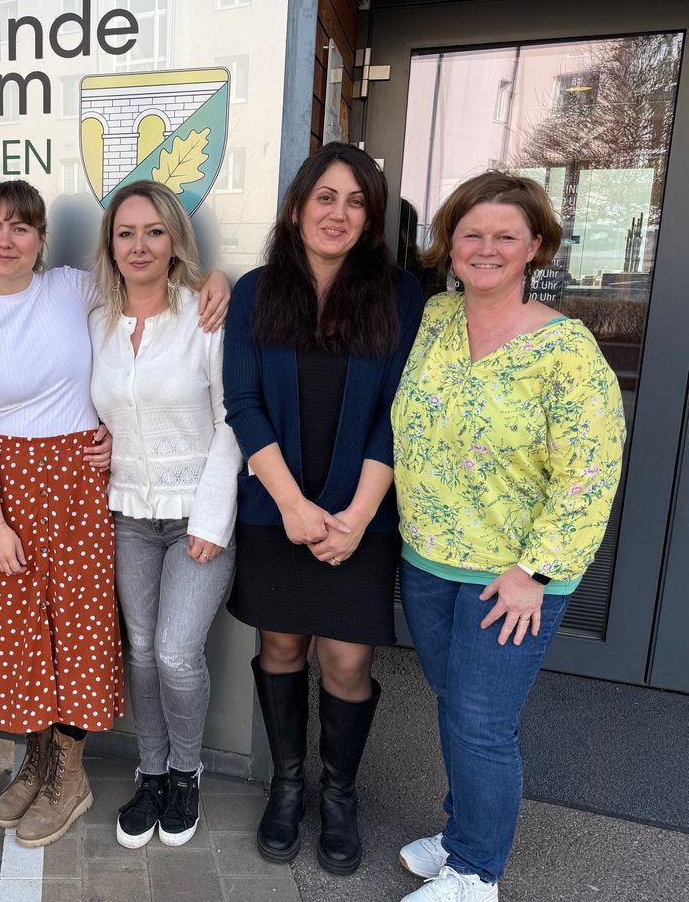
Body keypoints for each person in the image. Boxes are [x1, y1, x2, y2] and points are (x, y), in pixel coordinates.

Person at [0, 180, 229, 850]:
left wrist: (220, 277)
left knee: (77, 629)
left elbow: (154, 296)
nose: (6, 238)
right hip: (9, 491)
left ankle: (69, 775)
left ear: (42, 240)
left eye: (21, 226)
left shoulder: (75, 289)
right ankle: (39, 758)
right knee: (22, 635)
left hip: (81, 487)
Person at [391, 172, 625, 902]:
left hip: (512, 574)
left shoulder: (565, 348)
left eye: (504, 236)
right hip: (428, 556)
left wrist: (538, 571)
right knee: (453, 701)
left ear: (535, 248)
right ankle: (466, 833)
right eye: (471, 234)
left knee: (482, 721)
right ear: (449, 245)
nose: (485, 248)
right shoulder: (434, 319)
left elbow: (590, 472)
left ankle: (475, 875)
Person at [223, 142, 423, 875]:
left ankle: (339, 795)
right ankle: (286, 786)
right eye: (326, 197)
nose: (337, 213)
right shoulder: (254, 291)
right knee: (281, 647)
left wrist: (358, 516)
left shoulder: (401, 297)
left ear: (370, 218)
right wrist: (293, 507)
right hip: (276, 510)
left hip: (359, 517)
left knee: (345, 658)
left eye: (355, 201)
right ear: (299, 205)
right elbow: (242, 403)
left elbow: (398, 412)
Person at [88, 181, 241, 849]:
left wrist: (212, 519)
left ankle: (186, 771)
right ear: (111, 246)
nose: (140, 245)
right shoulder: (99, 322)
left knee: (177, 654)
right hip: (128, 513)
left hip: (195, 519)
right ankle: (150, 773)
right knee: (143, 653)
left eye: (154, 231)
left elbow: (233, 419)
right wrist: (101, 438)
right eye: (126, 233)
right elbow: (104, 405)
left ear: (176, 240)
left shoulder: (204, 316)